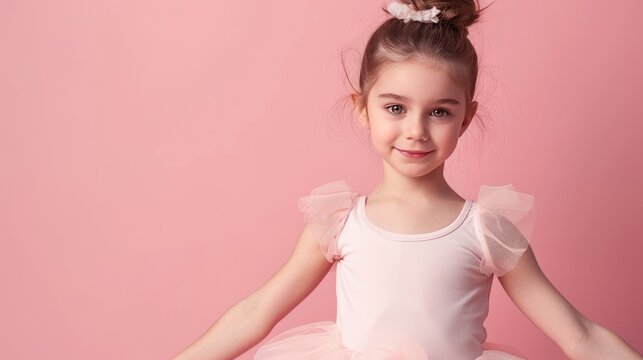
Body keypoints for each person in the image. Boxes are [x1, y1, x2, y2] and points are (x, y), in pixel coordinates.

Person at [172, 1, 642, 359]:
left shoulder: (488, 231)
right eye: (395, 108)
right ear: (363, 108)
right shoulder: (338, 223)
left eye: (439, 111)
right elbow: (256, 313)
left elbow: (579, 334)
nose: (416, 130)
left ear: (466, 118)